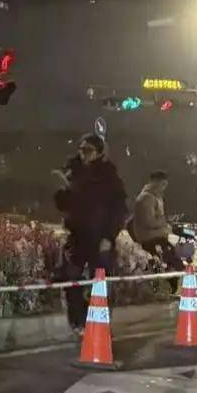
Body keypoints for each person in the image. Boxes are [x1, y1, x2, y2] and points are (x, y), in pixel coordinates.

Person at [54, 134, 128, 332]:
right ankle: (78, 321)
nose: (84, 154)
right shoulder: (73, 173)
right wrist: (62, 192)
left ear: (99, 152)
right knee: (71, 279)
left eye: (88, 150)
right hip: (78, 235)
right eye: (81, 150)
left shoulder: (109, 176)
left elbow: (119, 210)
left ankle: (100, 323)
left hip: (101, 236)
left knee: (101, 281)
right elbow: (65, 206)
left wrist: (109, 236)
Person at [132, 170, 183, 273]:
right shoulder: (146, 198)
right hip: (150, 240)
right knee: (175, 266)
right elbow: (149, 222)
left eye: (165, 185)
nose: (164, 188)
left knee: (174, 264)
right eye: (162, 184)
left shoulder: (156, 197)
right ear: (154, 182)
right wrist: (165, 222)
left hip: (157, 238)